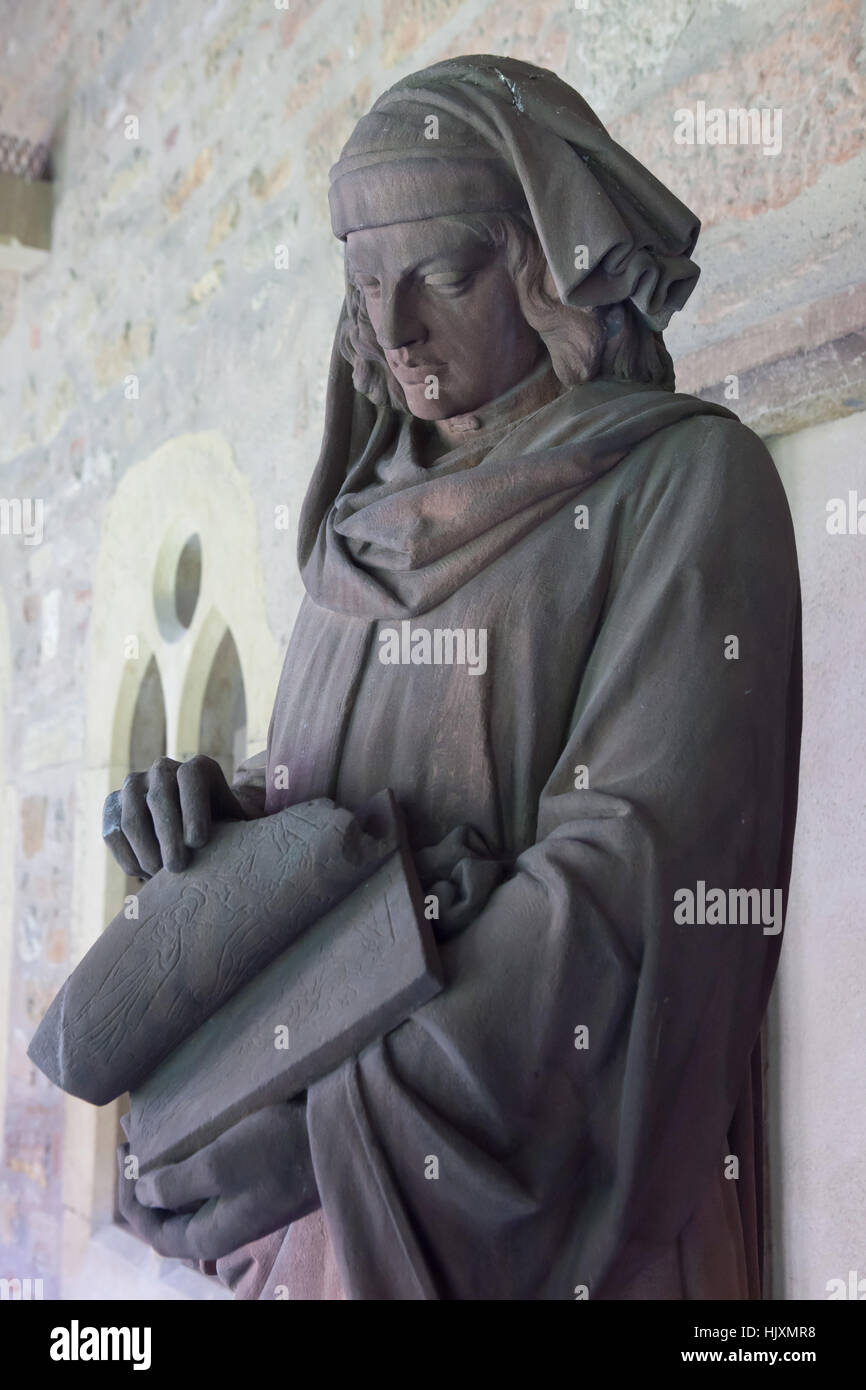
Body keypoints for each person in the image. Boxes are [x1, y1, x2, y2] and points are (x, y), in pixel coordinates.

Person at [109, 55, 802, 1300]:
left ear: (541, 262)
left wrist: (315, 1123)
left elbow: (624, 899)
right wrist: (215, 833)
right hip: (306, 1241)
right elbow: (327, 815)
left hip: (521, 1231)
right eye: (365, 282)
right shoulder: (358, 526)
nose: (393, 331)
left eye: (439, 272)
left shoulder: (684, 490)